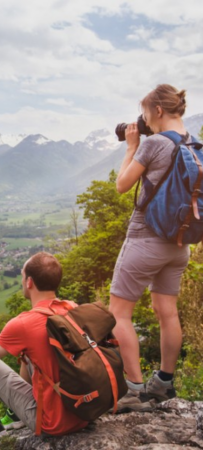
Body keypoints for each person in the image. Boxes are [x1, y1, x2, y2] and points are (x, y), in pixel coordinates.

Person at [110, 84, 191, 413]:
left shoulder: (155, 143)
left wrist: (131, 147)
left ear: (158, 110)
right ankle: (164, 383)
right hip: (180, 244)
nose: (142, 121)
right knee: (166, 312)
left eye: (144, 114)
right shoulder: (195, 143)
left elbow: (121, 185)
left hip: (146, 239)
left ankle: (135, 390)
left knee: (118, 313)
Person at [0, 252, 88, 448]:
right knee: (32, 353)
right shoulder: (72, 307)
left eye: (23, 275)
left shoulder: (25, 323)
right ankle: (15, 413)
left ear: (30, 282)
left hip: (53, 423)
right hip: (85, 410)